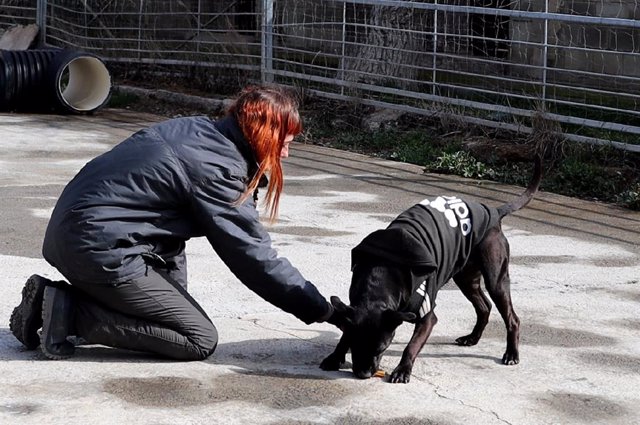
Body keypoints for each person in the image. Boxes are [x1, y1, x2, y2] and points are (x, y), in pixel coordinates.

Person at [10, 84, 338, 360]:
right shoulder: (217, 169)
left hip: (83, 232)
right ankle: (65, 311)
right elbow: (254, 257)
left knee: (168, 313)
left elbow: (161, 215)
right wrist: (323, 309)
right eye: (285, 143)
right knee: (196, 338)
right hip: (97, 247)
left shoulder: (198, 130)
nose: (285, 154)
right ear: (263, 134)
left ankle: (73, 304)